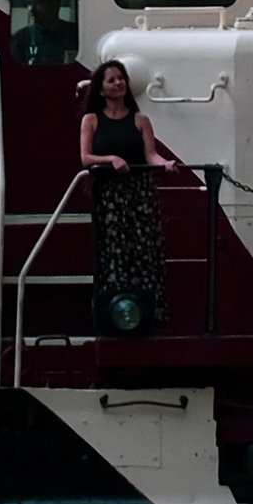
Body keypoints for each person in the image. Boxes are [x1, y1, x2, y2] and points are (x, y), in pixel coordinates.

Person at [78, 60, 165, 322]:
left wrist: (166, 164)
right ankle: (115, 311)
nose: (118, 83)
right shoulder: (91, 120)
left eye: (120, 78)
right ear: (101, 89)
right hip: (110, 195)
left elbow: (151, 155)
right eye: (111, 80)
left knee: (143, 250)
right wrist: (110, 159)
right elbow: (86, 157)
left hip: (139, 192)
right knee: (114, 251)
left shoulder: (141, 120)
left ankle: (149, 311)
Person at [12, 0, 78, 66]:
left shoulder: (74, 36)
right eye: (29, 3)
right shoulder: (21, 39)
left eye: (37, 3)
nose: (31, 9)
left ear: (53, 4)